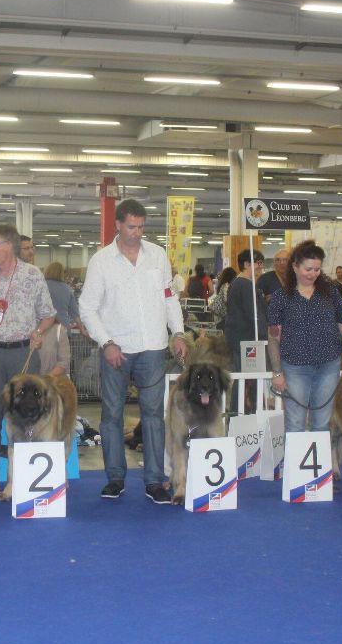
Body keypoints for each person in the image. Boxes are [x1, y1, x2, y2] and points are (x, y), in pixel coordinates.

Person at [79, 199, 188, 505]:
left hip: (153, 347)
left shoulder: (158, 255)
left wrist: (177, 332)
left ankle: (154, 480)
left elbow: (169, 298)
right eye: (131, 227)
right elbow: (87, 308)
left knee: (153, 415)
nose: (137, 232)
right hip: (116, 350)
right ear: (117, 225)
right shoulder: (101, 261)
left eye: (141, 226)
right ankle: (115, 478)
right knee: (111, 415)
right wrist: (106, 342)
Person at [0, 224, 55, 498]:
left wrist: (39, 332)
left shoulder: (33, 276)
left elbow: (48, 314)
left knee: (29, 417)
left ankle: (26, 479)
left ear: (8, 247)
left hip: (22, 354)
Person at [267, 240, 342, 433]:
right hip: (294, 367)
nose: (313, 274)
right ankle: (294, 463)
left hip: (329, 365)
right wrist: (277, 372)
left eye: (317, 269)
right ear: (295, 267)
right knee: (295, 422)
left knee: (323, 422)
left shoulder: (331, 293)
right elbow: (273, 337)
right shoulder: (280, 297)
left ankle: (321, 464)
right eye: (308, 269)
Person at [224, 249, 266, 412]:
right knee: (247, 380)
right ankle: (242, 416)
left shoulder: (238, 283)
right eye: (258, 263)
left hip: (240, 339)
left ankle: (240, 415)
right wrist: (265, 334)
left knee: (245, 379)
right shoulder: (246, 285)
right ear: (247, 264)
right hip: (248, 340)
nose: (261, 267)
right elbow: (254, 315)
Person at [43, 261, 80, 331]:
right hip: (64, 328)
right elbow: (75, 314)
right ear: (61, 273)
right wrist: (82, 329)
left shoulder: (41, 285)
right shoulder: (67, 288)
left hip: (45, 329)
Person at [210, 266, 238, 330]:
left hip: (219, 314)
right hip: (222, 316)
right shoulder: (226, 285)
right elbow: (226, 300)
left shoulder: (223, 285)